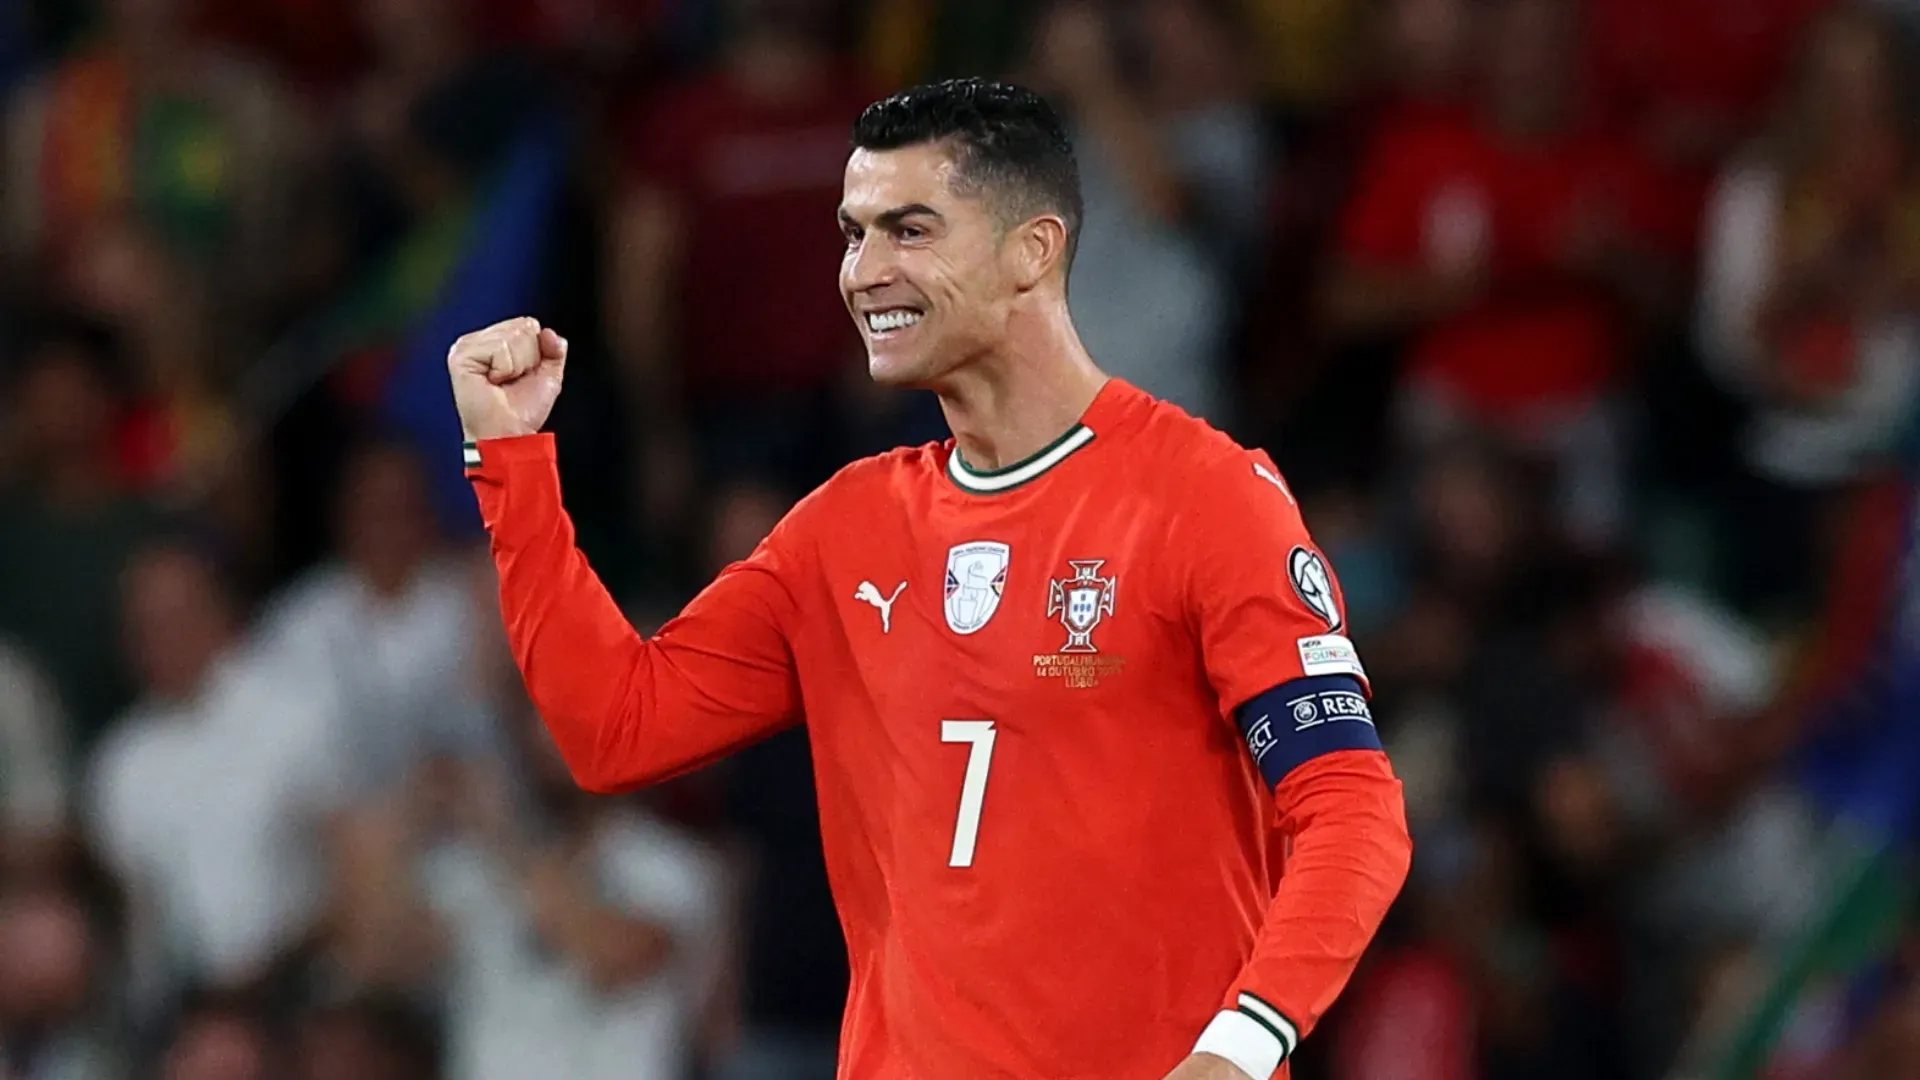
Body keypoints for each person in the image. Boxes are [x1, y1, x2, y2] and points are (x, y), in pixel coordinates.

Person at [447, 78, 1412, 1080]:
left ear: (1030, 251)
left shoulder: (1204, 498)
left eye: (908, 231)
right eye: (852, 234)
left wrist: (1240, 1047)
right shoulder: (843, 531)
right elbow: (615, 730)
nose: (864, 272)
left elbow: (1352, 809)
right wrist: (511, 466)